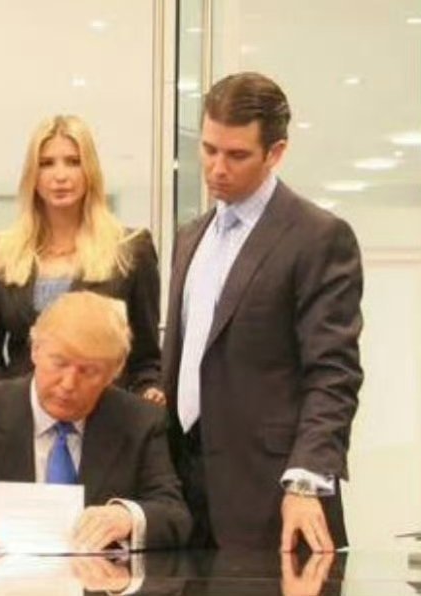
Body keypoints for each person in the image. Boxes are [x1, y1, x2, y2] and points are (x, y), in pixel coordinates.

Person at [161, 72, 363, 551]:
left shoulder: (318, 237)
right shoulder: (190, 237)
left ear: (276, 153)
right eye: (209, 149)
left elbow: (333, 374)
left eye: (237, 155)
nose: (217, 168)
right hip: (183, 492)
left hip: (273, 493)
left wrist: (306, 481)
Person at [0, 292, 191, 550]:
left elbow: (174, 514)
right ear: (36, 350)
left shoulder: (138, 422)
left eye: (89, 371)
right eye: (59, 363)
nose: (68, 383)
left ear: (115, 371)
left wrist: (127, 518)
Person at [0, 114, 162, 402]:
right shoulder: (0, 255)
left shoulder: (131, 249)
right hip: (21, 413)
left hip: (105, 410)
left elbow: (146, 359)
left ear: (90, 170)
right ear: (32, 176)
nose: (60, 176)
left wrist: (148, 392)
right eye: (46, 163)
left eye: (73, 162)